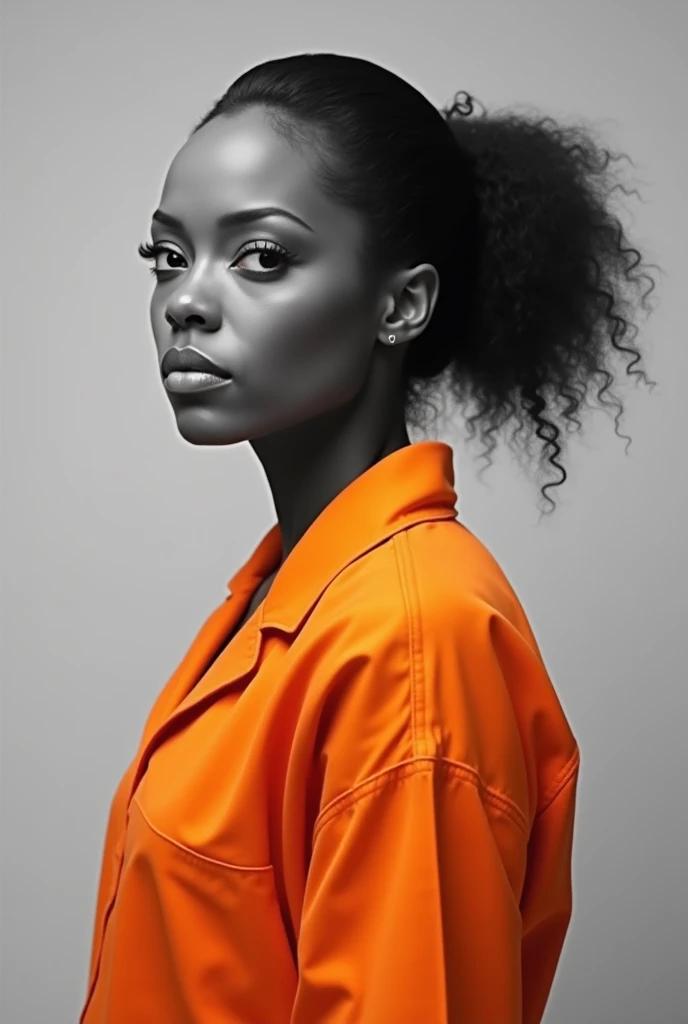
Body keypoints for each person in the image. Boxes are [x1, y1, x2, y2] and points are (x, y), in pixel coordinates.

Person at [79, 52, 659, 1024]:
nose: (184, 298)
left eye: (261, 255)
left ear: (401, 305)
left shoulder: (409, 641)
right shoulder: (286, 595)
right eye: (167, 256)